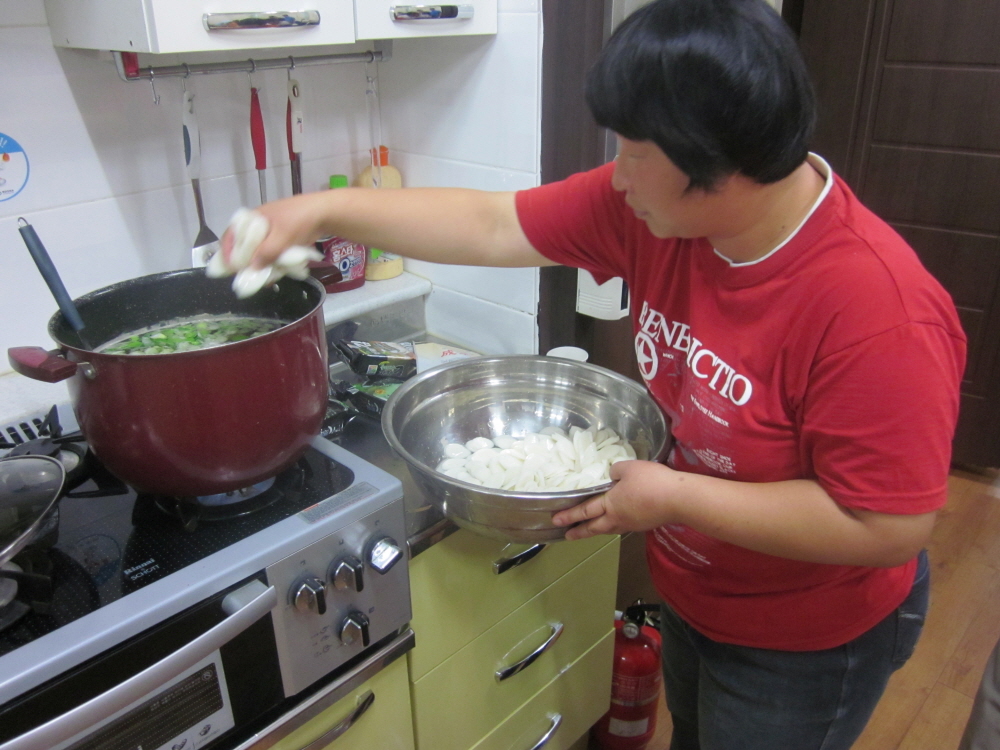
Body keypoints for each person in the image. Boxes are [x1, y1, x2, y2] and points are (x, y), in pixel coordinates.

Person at [224, 0, 966, 747]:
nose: (618, 176)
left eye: (636, 153)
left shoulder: (878, 311)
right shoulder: (659, 211)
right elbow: (492, 223)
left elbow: (885, 526)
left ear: (717, 162)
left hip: (805, 640)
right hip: (698, 594)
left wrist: (675, 496)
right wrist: (321, 211)